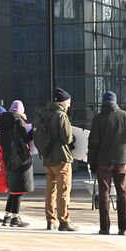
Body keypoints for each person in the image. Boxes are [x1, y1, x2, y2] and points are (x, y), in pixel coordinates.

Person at [87, 91, 126, 236]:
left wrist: (91, 162)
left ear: (103, 102)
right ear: (115, 102)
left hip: (102, 160)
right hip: (121, 160)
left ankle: (104, 228)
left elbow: (93, 143)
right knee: (122, 193)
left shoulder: (98, 119)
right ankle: (123, 228)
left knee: (104, 193)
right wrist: (125, 143)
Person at [43, 88, 77, 231]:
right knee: (63, 190)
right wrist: (73, 138)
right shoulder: (61, 115)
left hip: (48, 158)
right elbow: (67, 137)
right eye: (68, 102)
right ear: (63, 102)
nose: (69, 105)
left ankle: (50, 221)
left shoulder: (46, 114)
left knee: (50, 190)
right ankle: (64, 221)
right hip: (61, 158)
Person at [0, 100, 34, 228]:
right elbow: (24, 137)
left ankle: (7, 216)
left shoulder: (3, 122)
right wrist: (31, 131)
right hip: (20, 158)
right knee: (19, 189)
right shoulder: (18, 121)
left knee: (13, 188)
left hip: (8, 158)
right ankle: (15, 218)